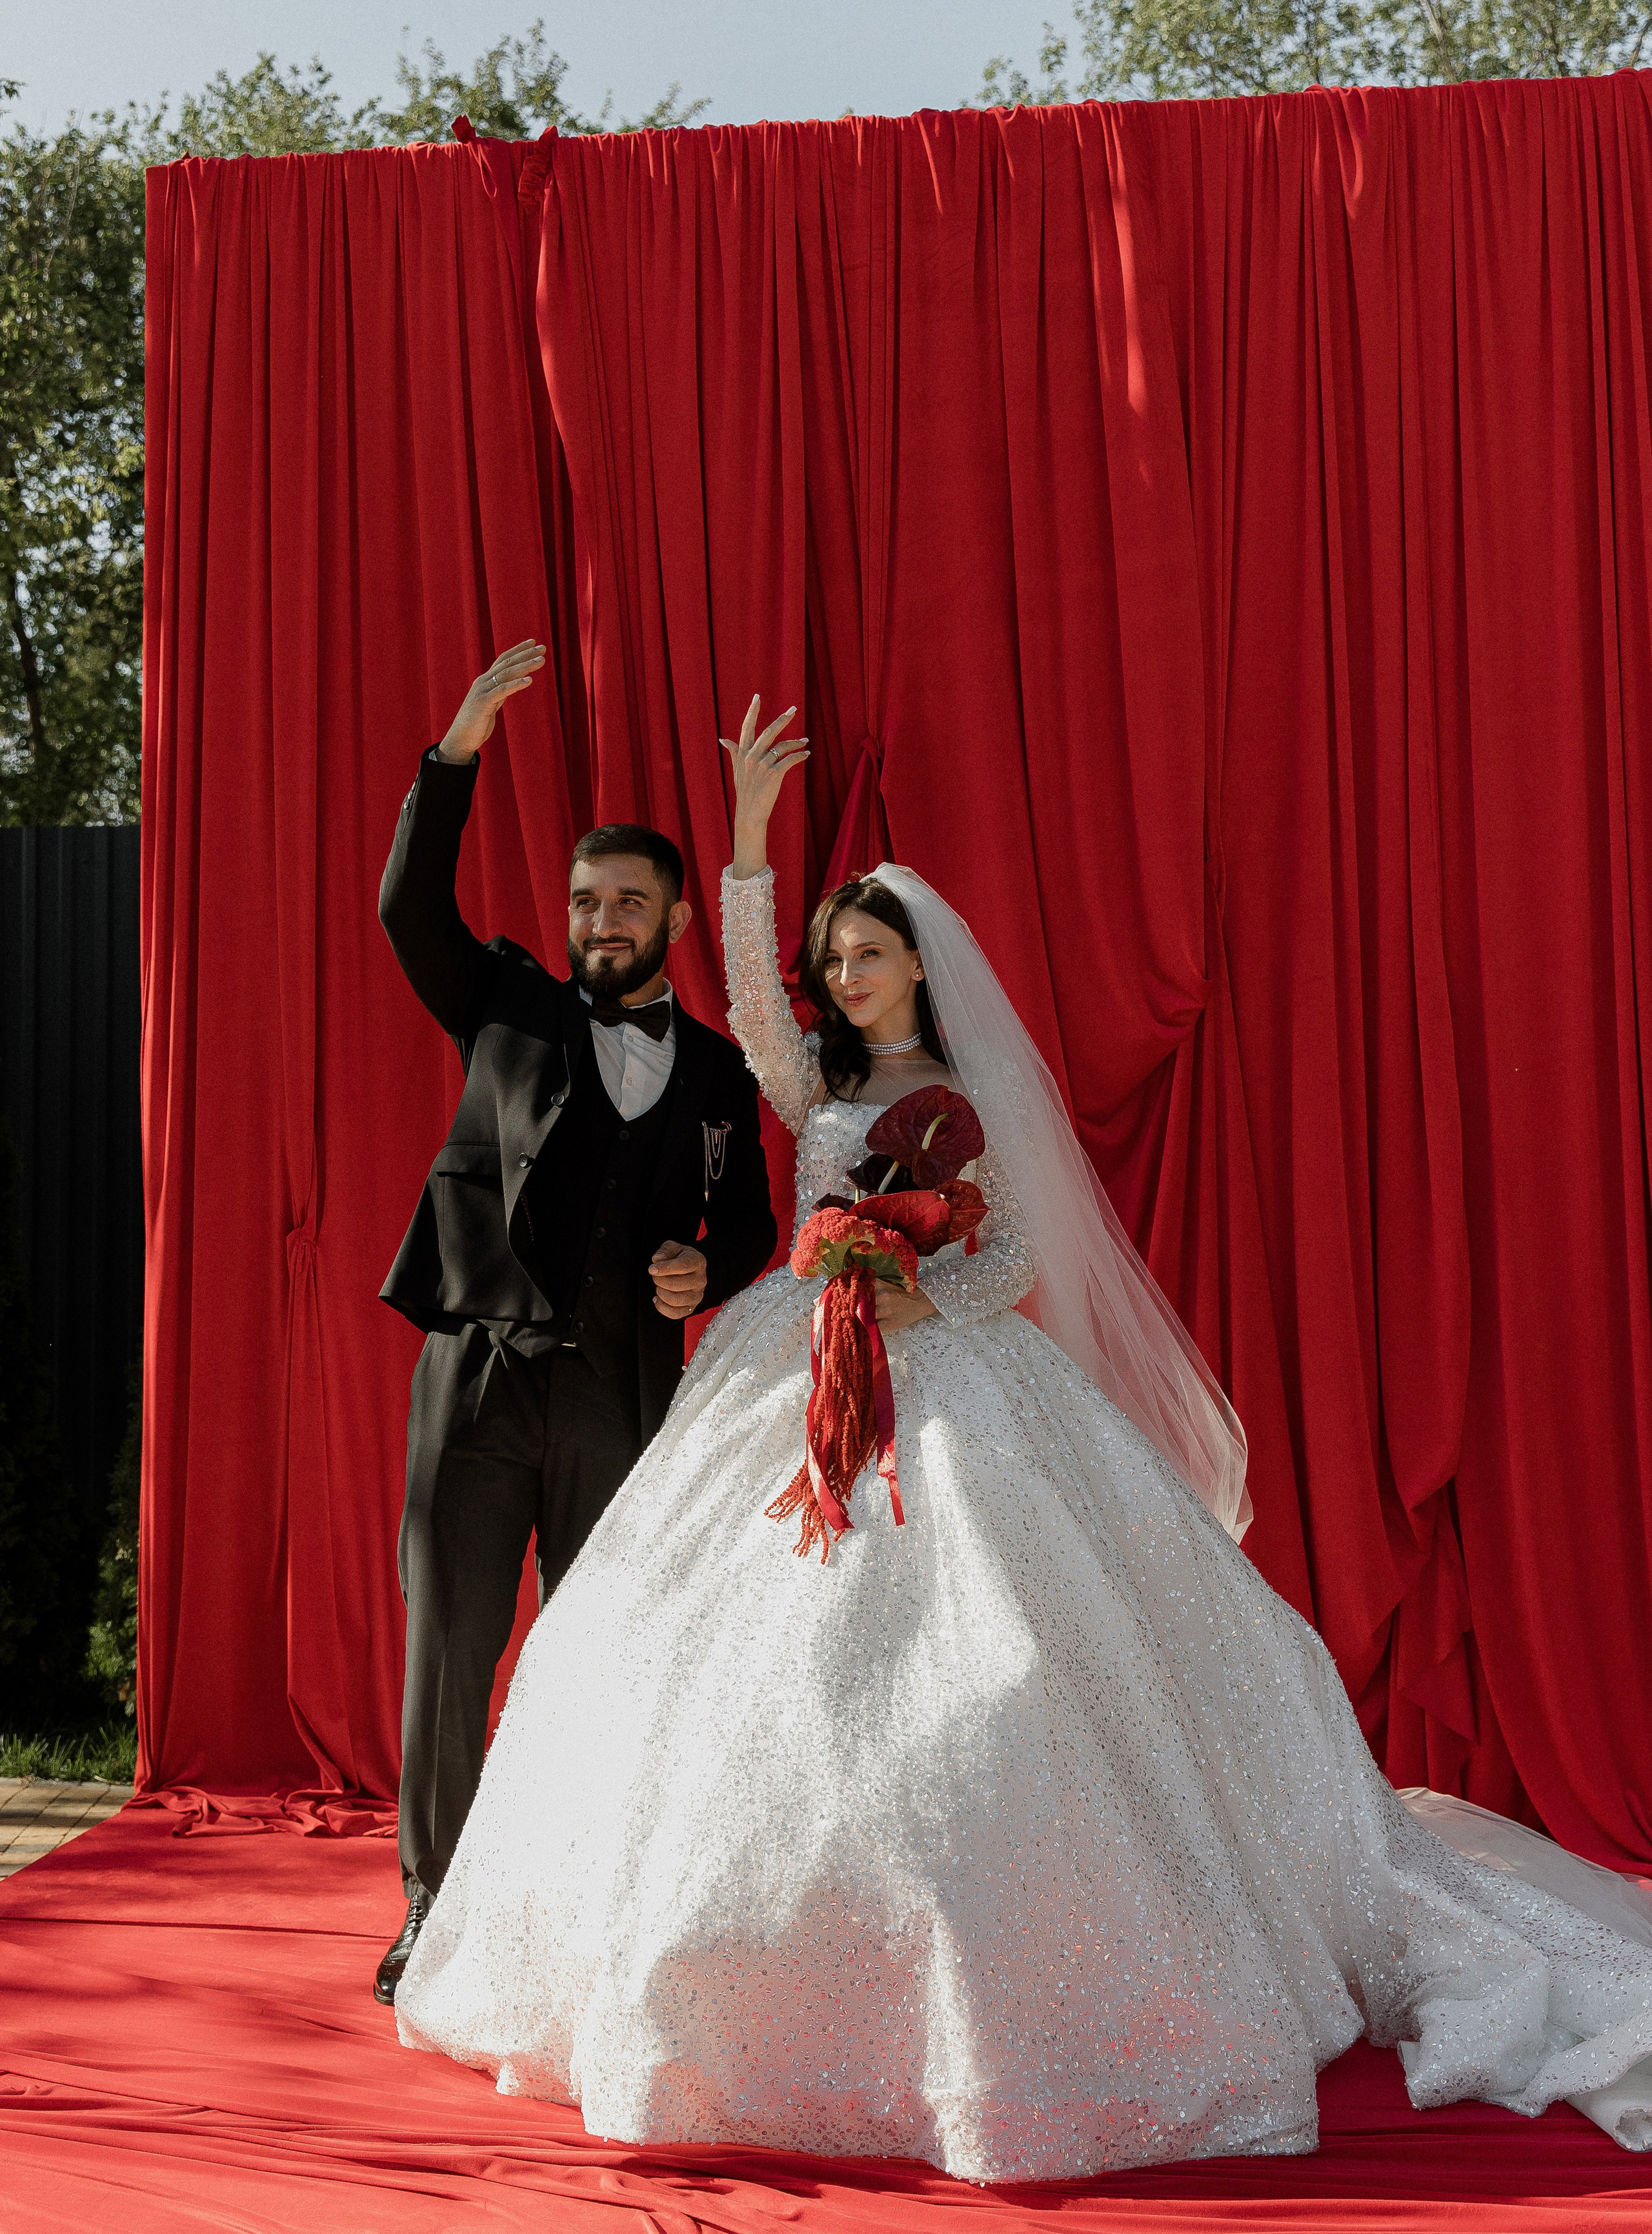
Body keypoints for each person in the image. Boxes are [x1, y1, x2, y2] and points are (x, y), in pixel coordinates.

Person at [394, 694, 1652, 2178]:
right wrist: (746, 844)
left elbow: (1013, 1261)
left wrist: (915, 1293)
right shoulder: (812, 1083)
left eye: (865, 955)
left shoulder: (967, 1093)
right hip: (786, 1371)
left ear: (918, 965)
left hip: (945, 1381)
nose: (844, 976)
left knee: (985, 1658)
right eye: (832, 959)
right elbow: (748, 1000)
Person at [372, 644, 777, 2004]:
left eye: (627, 901)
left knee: (604, 1658)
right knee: (452, 1651)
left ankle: (580, 1908)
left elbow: (750, 1224)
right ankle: (432, 1913)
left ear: (673, 919)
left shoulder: (719, 1072)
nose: (601, 920)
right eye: (586, 900)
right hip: (480, 1376)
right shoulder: (506, 1001)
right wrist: (456, 754)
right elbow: (408, 905)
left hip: (623, 1392)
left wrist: (704, 1267)